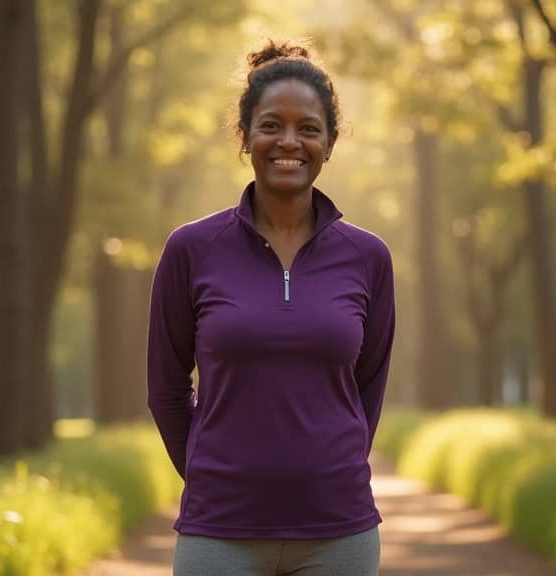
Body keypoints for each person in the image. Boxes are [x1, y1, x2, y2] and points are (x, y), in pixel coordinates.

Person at [147, 39, 396, 576]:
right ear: (245, 136)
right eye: (271, 126)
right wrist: (210, 478)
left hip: (340, 534)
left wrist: (330, 472)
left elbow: (368, 387)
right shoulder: (191, 249)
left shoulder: (368, 257)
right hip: (219, 534)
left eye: (308, 128)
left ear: (329, 143)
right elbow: (165, 389)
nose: (289, 142)